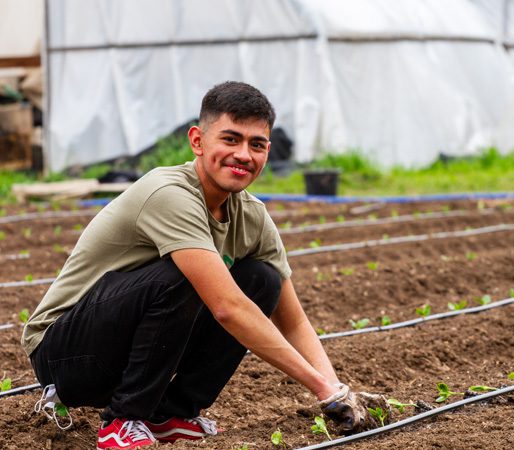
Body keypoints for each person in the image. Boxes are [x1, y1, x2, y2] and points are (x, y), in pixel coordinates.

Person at [22, 81, 388, 449]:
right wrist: (321, 389)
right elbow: (227, 308)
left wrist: (338, 390)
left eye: (256, 144)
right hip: (66, 354)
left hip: (122, 347)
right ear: (197, 141)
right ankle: (124, 421)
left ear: (268, 152)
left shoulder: (253, 217)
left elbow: (292, 319)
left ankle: (172, 415)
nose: (243, 154)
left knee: (261, 280)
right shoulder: (169, 195)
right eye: (230, 139)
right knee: (186, 278)